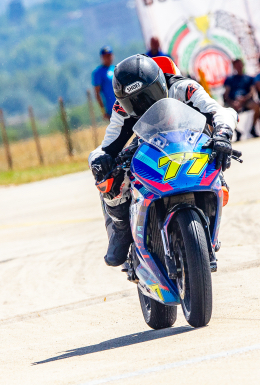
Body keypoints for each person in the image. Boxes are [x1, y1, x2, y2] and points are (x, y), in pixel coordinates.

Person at [88, 54, 238, 267]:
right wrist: (99, 160)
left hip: (191, 145)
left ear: (160, 84)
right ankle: (121, 230)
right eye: (133, 101)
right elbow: (106, 146)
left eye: (147, 96)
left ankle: (208, 225)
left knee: (221, 185)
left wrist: (222, 135)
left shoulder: (184, 88)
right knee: (106, 175)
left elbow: (222, 112)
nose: (141, 104)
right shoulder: (122, 109)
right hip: (149, 147)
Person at [223, 58, 260, 140]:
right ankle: (237, 131)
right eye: (237, 65)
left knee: (257, 106)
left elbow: (252, 92)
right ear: (234, 67)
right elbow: (226, 94)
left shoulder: (249, 78)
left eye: (240, 65)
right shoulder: (229, 79)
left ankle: (253, 129)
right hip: (233, 102)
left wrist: (244, 99)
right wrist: (232, 102)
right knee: (225, 114)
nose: (239, 67)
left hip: (246, 101)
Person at [92, 46, 117, 120]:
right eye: (106, 56)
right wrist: (103, 110)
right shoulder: (98, 73)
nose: (108, 58)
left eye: (109, 55)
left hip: (123, 105)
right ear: (102, 57)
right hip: (111, 108)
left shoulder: (116, 68)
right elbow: (97, 93)